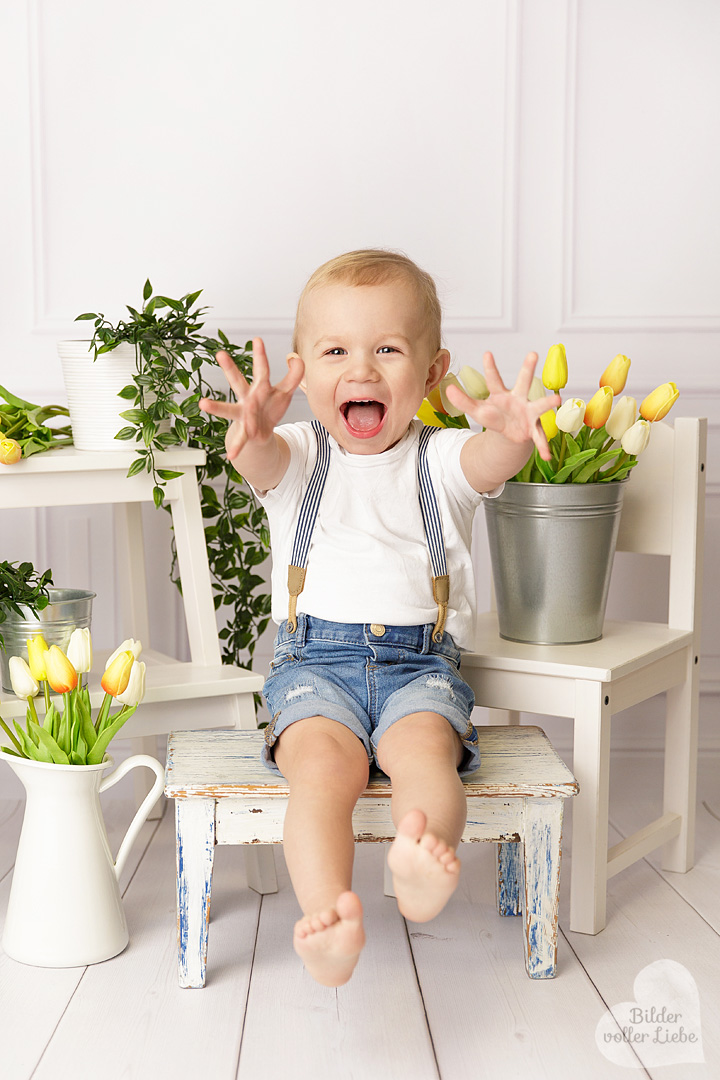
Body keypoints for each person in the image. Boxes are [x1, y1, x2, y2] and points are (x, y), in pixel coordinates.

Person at [200, 249, 559, 987]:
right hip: (313, 670)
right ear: (302, 371)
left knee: (428, 755)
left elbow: (491, 460)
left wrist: (514, 434)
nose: (361, 371)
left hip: (418, 669)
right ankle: (330, 915)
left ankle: (422, 856)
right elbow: (258, 462)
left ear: (431, 374)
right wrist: (253, 434)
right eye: (335, 352)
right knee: (322, 775)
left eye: (387, 349)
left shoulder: (441, 460)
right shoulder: (298, 452)